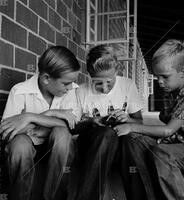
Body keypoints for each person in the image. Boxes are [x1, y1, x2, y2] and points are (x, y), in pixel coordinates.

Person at [113, 39, 184, 200]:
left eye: (165, 76)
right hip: (176, 144)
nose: (159, 82)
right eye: (157, 76)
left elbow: (168, 130)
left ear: (183, 71)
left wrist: (133, 127)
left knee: (161, 153)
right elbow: (163, 126)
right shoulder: (171, 93)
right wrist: (130, 121)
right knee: (131, 140)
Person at [0, 46, 81, 200]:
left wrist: (30, 117)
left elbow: (70, 125)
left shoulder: (70, 91)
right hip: (28, 147)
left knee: (62, 134)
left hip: (58, 149)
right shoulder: (20, 91)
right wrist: (52, 117)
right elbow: (7, 132)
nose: (70, 87)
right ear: (46, 79)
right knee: (20, 144)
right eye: (66, 83)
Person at [75, 44, 143, 200]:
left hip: (120, 145)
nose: (105, 88)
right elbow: (73, 128)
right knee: (106, 133)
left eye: (109, 82)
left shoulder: (127, 85)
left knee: (129, 139)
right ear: (90, 74)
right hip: (92, 145)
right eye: (98, 83)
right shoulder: (81, 91)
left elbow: (139, 123)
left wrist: (128, 119)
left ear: (117, 71)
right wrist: (91, 122)